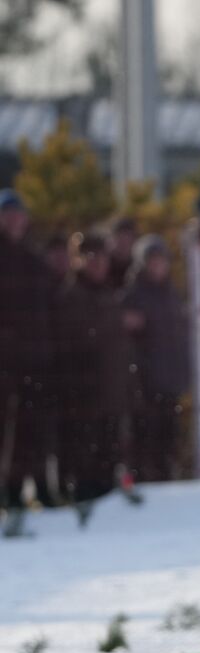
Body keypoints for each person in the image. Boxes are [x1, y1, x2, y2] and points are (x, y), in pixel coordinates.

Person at [52, 231, 132, 508]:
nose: (98, 263)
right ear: (77, 260)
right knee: (83, 472)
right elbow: (70, 351)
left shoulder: (109, 295)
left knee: (108, 468)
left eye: (102, 257)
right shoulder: (69, 297)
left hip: (110, 398)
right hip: (82, 402)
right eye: (91, 257)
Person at [0, 189, 57, 529]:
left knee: (29, 432)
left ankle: (20, 490)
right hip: (4, 362)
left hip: (35, 361)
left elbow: (47, 310)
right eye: (7, 214)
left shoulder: (34, 261)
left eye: (18, 213)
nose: (14, 220)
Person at [120, 235, 189, 482]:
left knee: (167, 436)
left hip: (169, 379)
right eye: (153, 261)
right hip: (145, 382)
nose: (158, 266)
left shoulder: (171, 293)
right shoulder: (133, 294)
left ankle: (165, 479)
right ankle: (139, 483)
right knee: (143, 436)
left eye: (161, 260)